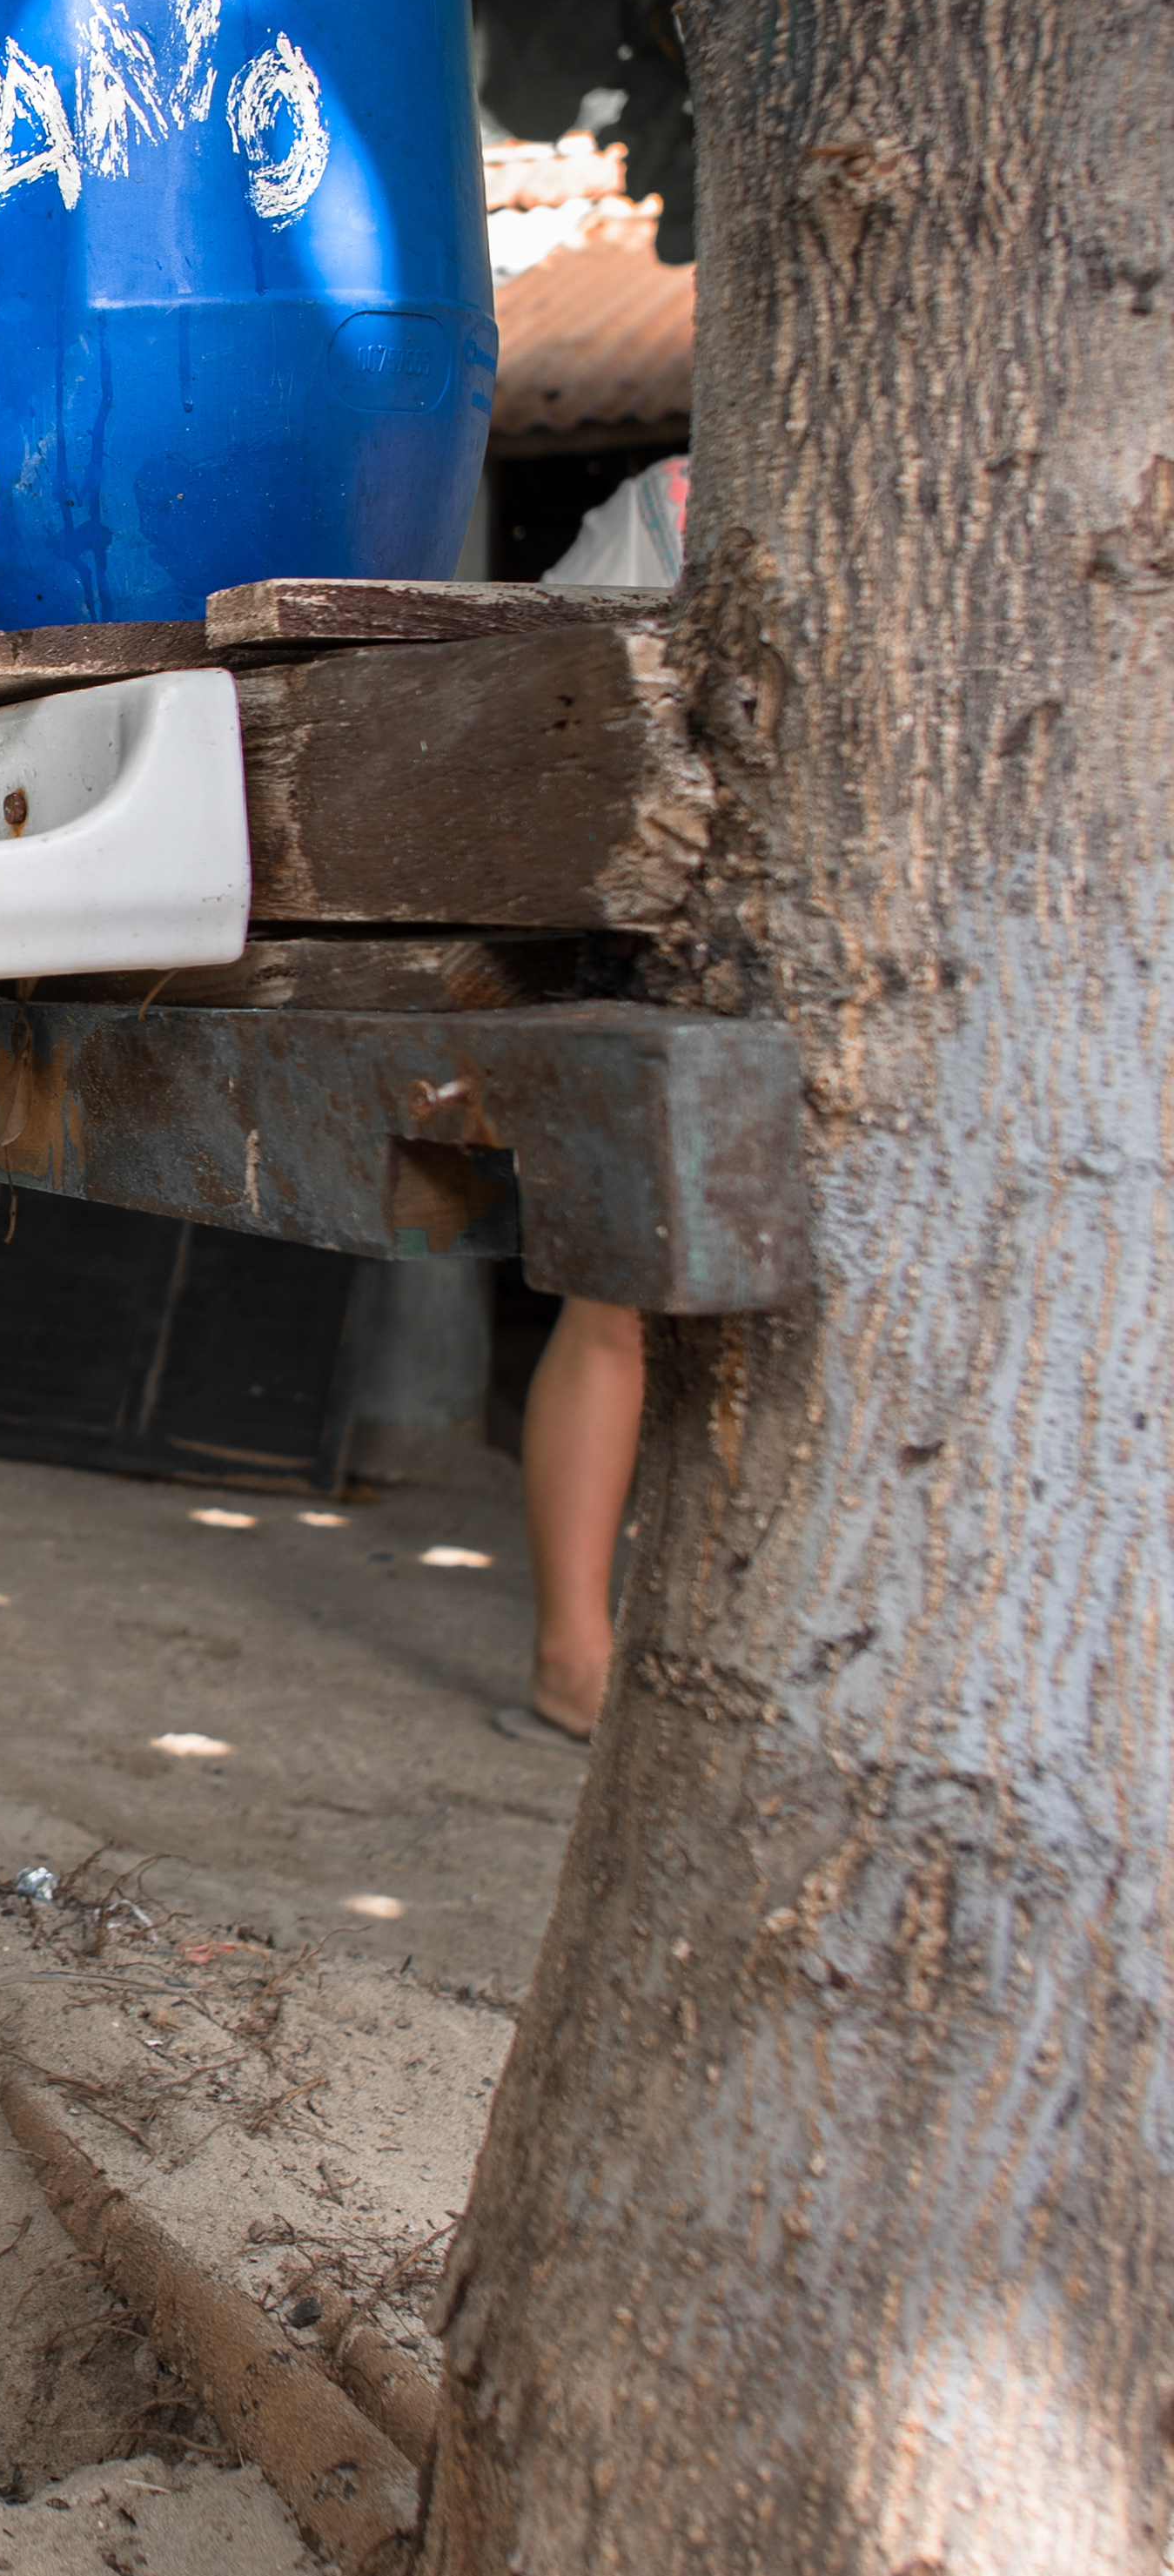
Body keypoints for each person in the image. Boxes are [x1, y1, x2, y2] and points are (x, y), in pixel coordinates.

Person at [502, 449, 691, 1745]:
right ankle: (576, 1650)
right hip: (673, 935)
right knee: (615, 1297)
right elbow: (546, 703)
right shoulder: (672, 501)